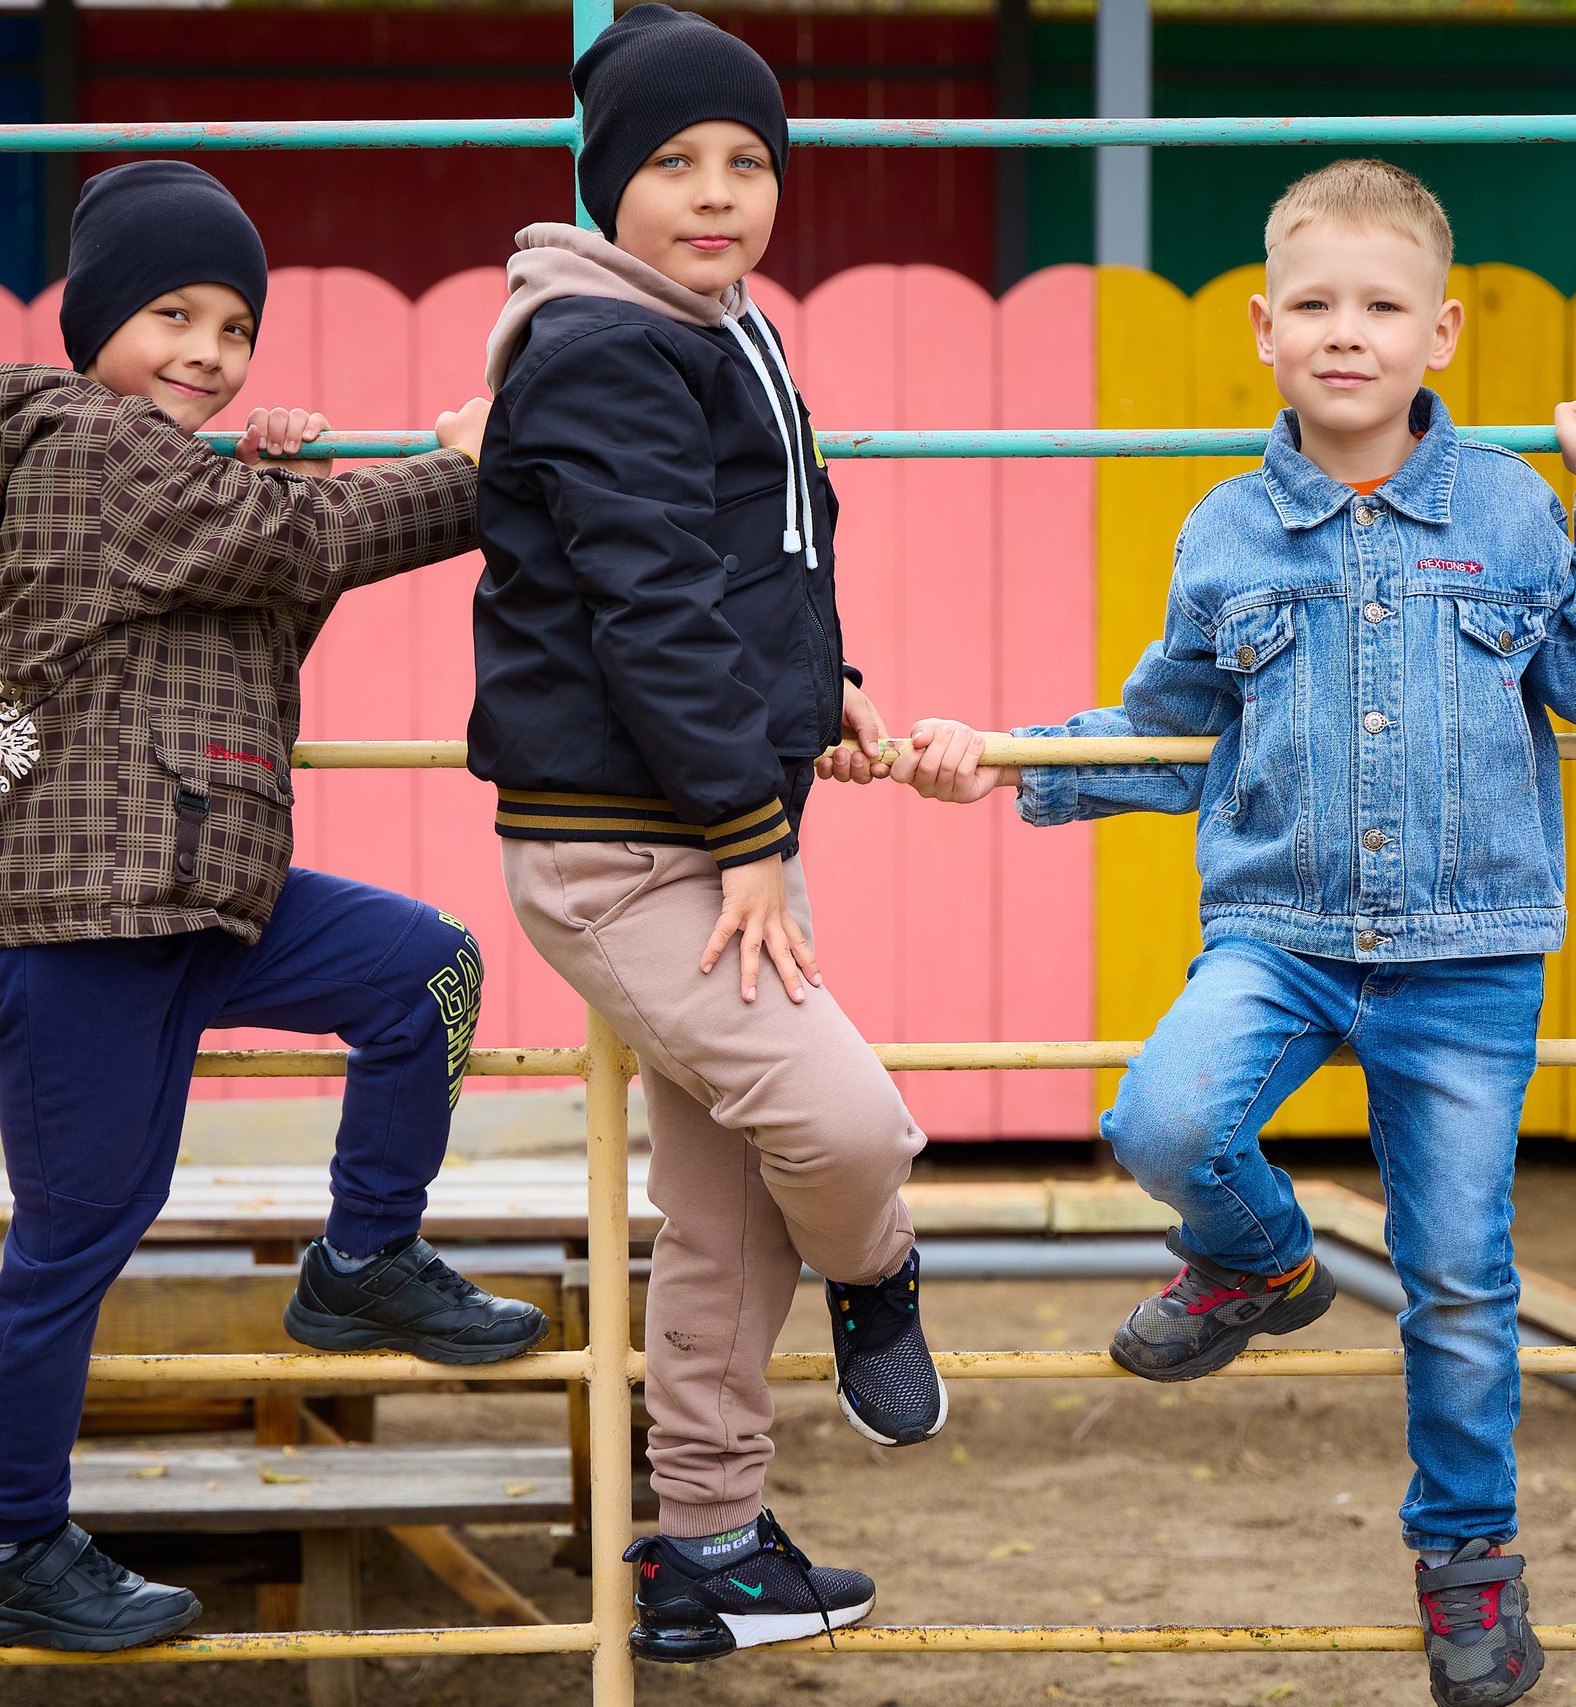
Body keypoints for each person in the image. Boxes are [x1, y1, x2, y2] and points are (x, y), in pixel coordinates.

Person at [888, 159, 1576, 1707]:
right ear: (1262, 328)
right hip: (1283, 931)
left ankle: (1468, 1563)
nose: (1346, 333)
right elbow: (1171, 732)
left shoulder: (1511, 506)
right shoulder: (1228, 532)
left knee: (1458, 1279)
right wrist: (1009, 761)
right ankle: (1254, 1262)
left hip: (1466, 957)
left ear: (1443, 331)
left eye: (1381, 307)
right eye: (1313, 304)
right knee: (1161, 1117)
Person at [0, 159, 546, 1652]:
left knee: (430, 977)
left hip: (198, 891)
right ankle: (6, 1542)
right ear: (91, 328)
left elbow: (270, 603)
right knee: (78, 1236)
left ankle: (362, 1259)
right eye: (170, 316)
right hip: (78, 922)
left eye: (234, 329)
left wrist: (282, 487)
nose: (206, 353)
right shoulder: (82, 445)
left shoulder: (166, 476)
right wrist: (483, 461)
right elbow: (307, 546)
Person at [469, 3, 946, 1661]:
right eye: (672, 162)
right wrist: (754, 832)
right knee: (848, 1132)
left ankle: (710, 1549)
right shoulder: (609, 342)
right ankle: (880, 1276)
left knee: (727, 1205)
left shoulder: (720, 324)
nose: (717, 191)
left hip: (715, 819)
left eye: (748, 160)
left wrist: (839, 689)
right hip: (630, 847)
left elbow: (765, 569)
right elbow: (653, 609)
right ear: (607, 183)